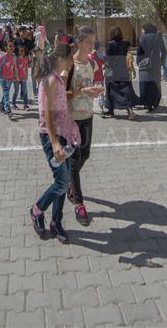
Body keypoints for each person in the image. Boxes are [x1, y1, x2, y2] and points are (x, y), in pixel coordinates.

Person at [29, 43, 80, 244]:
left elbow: (63, 98)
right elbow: (46, 114)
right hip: (52, 137)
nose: (71, 63)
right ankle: (37, 210)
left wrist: (84, 91)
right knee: (61, 182)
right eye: (70, 59)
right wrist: (55, 143)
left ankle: (56, 221)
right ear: (62, 59)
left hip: (64, 133)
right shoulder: (49, 80)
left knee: (64, 181)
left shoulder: (57, 79)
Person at [68, 27, 104, 225]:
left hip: (88, 115)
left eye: (93, 42)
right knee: (74, 160)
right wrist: (83, 91)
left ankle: (70, 183)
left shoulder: (91, 63)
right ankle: (79, 203)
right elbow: (65, 93)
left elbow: (92, 84)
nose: (92, 45)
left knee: (85, 155)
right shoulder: (70, 64)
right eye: (89, 42)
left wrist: (97, 90)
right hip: (71, 117)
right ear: (79, 42)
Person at [104, 27, 137, 120]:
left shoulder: (110, 45)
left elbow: (107, 59)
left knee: (110, 88)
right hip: (123, 70)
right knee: (126, 90)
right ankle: (130, 111)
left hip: (113, 71)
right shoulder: (125, 44)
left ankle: (111, 110)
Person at [137, 24, 167, 113]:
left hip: (144, 65)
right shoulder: (158, 38)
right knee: (156, 83)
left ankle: (147, 103)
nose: (142, 31)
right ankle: (155, 102)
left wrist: (138, 62)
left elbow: (139, 52)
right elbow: (164, 52)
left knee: (145, 83)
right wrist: (161, 62)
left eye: (143, 29)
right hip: (156, 64)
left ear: (146, 29)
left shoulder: (142, 38)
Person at [0, 39, 18, 118]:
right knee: (6, 94)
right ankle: (8, 110)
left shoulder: (14, 56)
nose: (11, 47)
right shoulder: (2, 57)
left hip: (10, 78)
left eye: (12, 46)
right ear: (6, 47)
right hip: (3, 78)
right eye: (9, 46)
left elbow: (14, 68)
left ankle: (1, 106)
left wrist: (16, 76)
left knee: (5, 93)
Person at [12, 43, 31, 111]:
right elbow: (14, 68)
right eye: (20, 50)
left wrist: (26, 76)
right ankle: (13, 104)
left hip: (23, 77)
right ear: (17, 51)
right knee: (16, 91)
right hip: (16, 77)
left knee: (25, 91)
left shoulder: (26, 58)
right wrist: (16, 77)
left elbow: (26, 67)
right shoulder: (16, 58)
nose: (22, 52)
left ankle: (25, 105)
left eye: (23, 50)